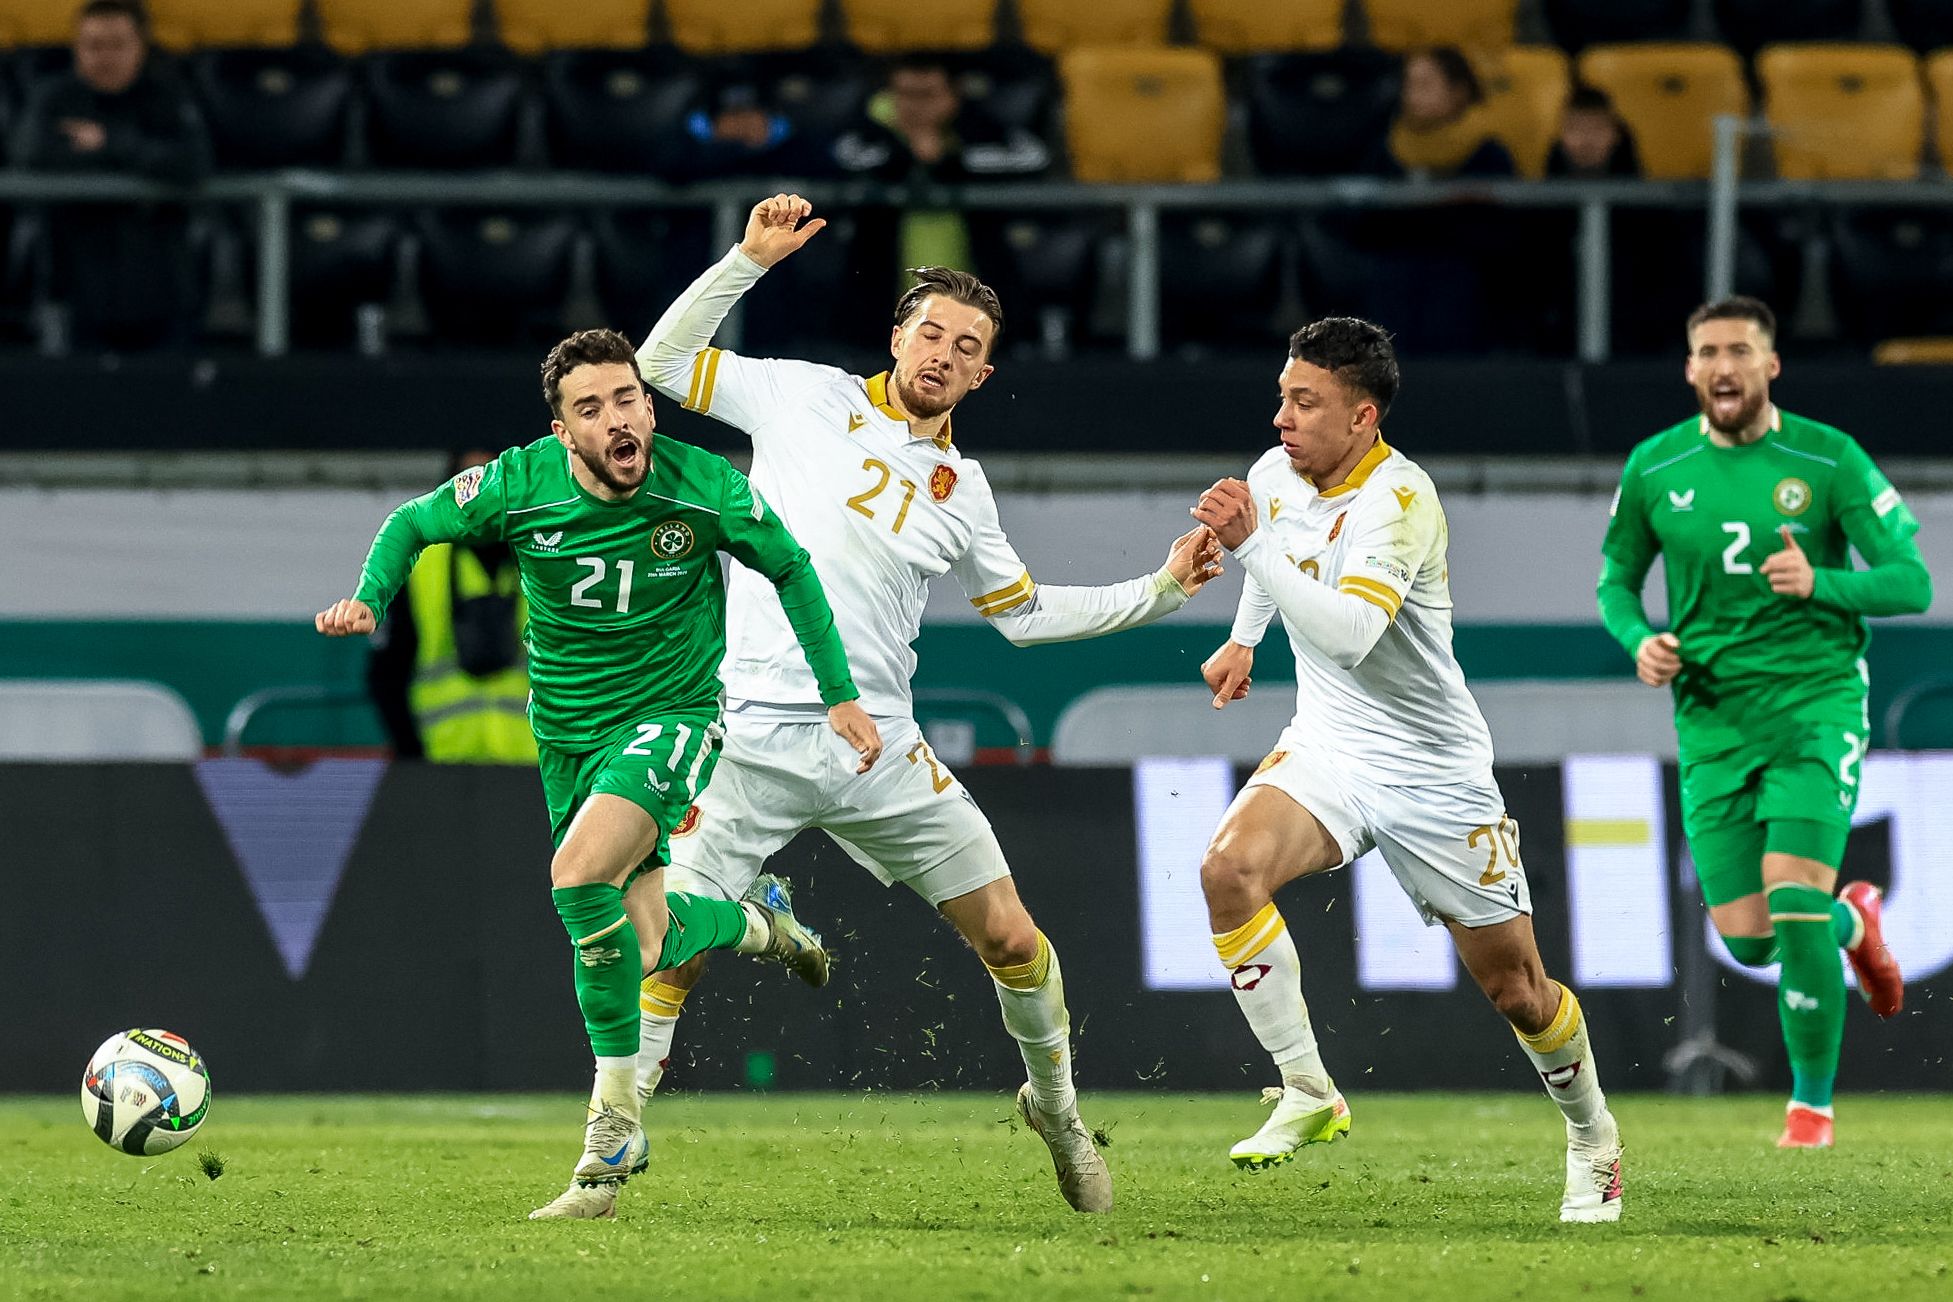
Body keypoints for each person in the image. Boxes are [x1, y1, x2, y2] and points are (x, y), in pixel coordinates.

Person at [628, 194, 1224, 1216]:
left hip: (879, 752)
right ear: (897, 336)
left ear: (985, 373)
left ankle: (1057, 1109)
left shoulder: (965, 491)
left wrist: (1164, 588)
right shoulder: (801, 397)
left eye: (969, 346)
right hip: (751, 732)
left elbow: (1025, 616)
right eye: (932, 332)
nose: (945, 353)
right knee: (662, 944)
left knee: (1012, 940)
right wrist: (746, 261)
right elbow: (662, 364)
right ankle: (612, 1141)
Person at [314, 328, 884, 1219]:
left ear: (648, 405)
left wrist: (840, 694)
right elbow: (414, 521)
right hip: (568, 739)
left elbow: (792, 569)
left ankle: (611, 1129)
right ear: (563, 430)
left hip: (676, 719)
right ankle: (755, 924)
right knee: (645, 943)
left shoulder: (702, 487)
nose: (617, 420)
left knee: (578, 878)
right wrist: (370, 595)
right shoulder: (518, 482)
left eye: (628, 399)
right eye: (592, 409)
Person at [1190, 318, 1624, 1224]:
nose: (1281, 419)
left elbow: (1350, 636)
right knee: (1227, 871)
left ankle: (1593, 1138)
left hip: (1433, 771)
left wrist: (1249, 546)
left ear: (1361, 416)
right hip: (1330, 746)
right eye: (1281, 396)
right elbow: (1272, 560)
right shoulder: (1279, 474)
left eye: (1304, 404)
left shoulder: (1400, 500)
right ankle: (1307, 1091)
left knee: (1517, 989)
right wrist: (1241, 639)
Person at [1596, 296, 1927, 1149]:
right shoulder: (1653, 466)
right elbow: (1615, 583)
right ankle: (1855, 923)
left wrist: (1823, 583)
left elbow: (1910, 581)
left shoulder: (1826, 458)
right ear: (1689, 369)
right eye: (1706, 351)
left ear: (1769, 365)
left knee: (1791, 896)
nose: (1722, 367)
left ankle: (1809, 1110)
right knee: (1748, 941)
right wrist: (1640, 642)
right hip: (1711, 720)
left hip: (1813, 705)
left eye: (1739, 350)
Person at [10, 0, 211, 350]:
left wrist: (109, 142)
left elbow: (192, 164)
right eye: (93, 46)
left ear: (142, 47)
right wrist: (141, 157)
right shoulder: (55, 98)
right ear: (76, 48)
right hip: (74, 290)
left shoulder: (167, 95)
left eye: (118, 45)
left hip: (161, 291)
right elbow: (32, 157)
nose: (105, 57)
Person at [366, 448, 535, 764]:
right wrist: (412, 755)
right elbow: (386, 675)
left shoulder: (544, 559)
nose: (479, 496)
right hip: (442, 765)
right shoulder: (418, 567)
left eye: (491, 481)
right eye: (467, 484)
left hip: (533, 768)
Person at [832, 54, 1050, 277]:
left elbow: (1034, 155)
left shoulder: (978, 129)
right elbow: (840, 157)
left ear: (954, 95)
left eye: (927, 95)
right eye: (906, 95)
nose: (917, 107)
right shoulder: (869, 130)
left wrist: (952, 156)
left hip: (975, 283)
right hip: (884, 286)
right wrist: (905, 152)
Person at [1373, 46, 1515, 179]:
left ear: (1459, 92)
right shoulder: (1387, 148)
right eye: (1408, 85)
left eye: (1424, 85)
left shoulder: (1488, 155)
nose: (1411, 96)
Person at [1546, 85, 1642, 179]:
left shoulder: (1644, 193)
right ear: (1560, 135)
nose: (1586, 139)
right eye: (1576, 129)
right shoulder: (1539, 191)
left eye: (1598, 129)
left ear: (1616, 135)